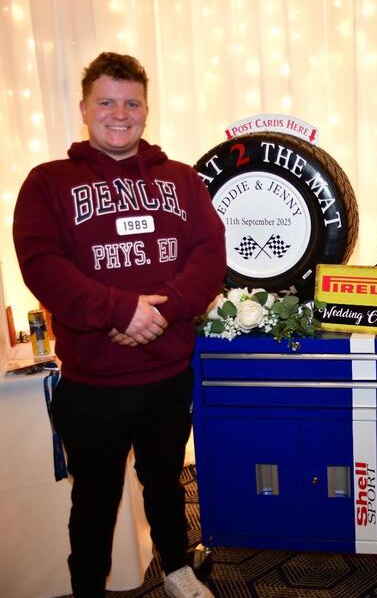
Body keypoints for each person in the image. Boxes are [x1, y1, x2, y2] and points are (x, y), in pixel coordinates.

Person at [13, 52, 226, 598]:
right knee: (94, 500)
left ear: (146, 110)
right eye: (106, 102)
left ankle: (176, 569)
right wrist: (119, 311)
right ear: (84, 108)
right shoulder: (48, 182)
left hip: (167, 374)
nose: (119, 114)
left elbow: (209, 254)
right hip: (94, 384)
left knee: (166, 482)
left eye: (132, 103)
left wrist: (160, 311)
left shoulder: (182, 179)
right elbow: (42, 265)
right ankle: (88, 588)